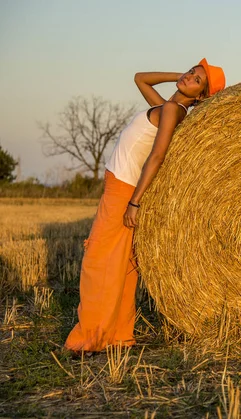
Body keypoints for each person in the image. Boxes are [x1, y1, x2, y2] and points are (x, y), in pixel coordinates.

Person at [65, 58, 226, 353]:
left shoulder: (171, 111)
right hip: (122, 187)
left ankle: (89, 339)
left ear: (201, 96)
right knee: (124, 264)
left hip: (124, 190)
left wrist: (135, 202)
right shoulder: (168, 107)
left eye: (197, 80)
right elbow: (140, 78)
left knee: (99, 260)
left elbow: (157, 156)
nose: (189, 77)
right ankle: (119, 335)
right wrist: (178, 76)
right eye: (192, 71)